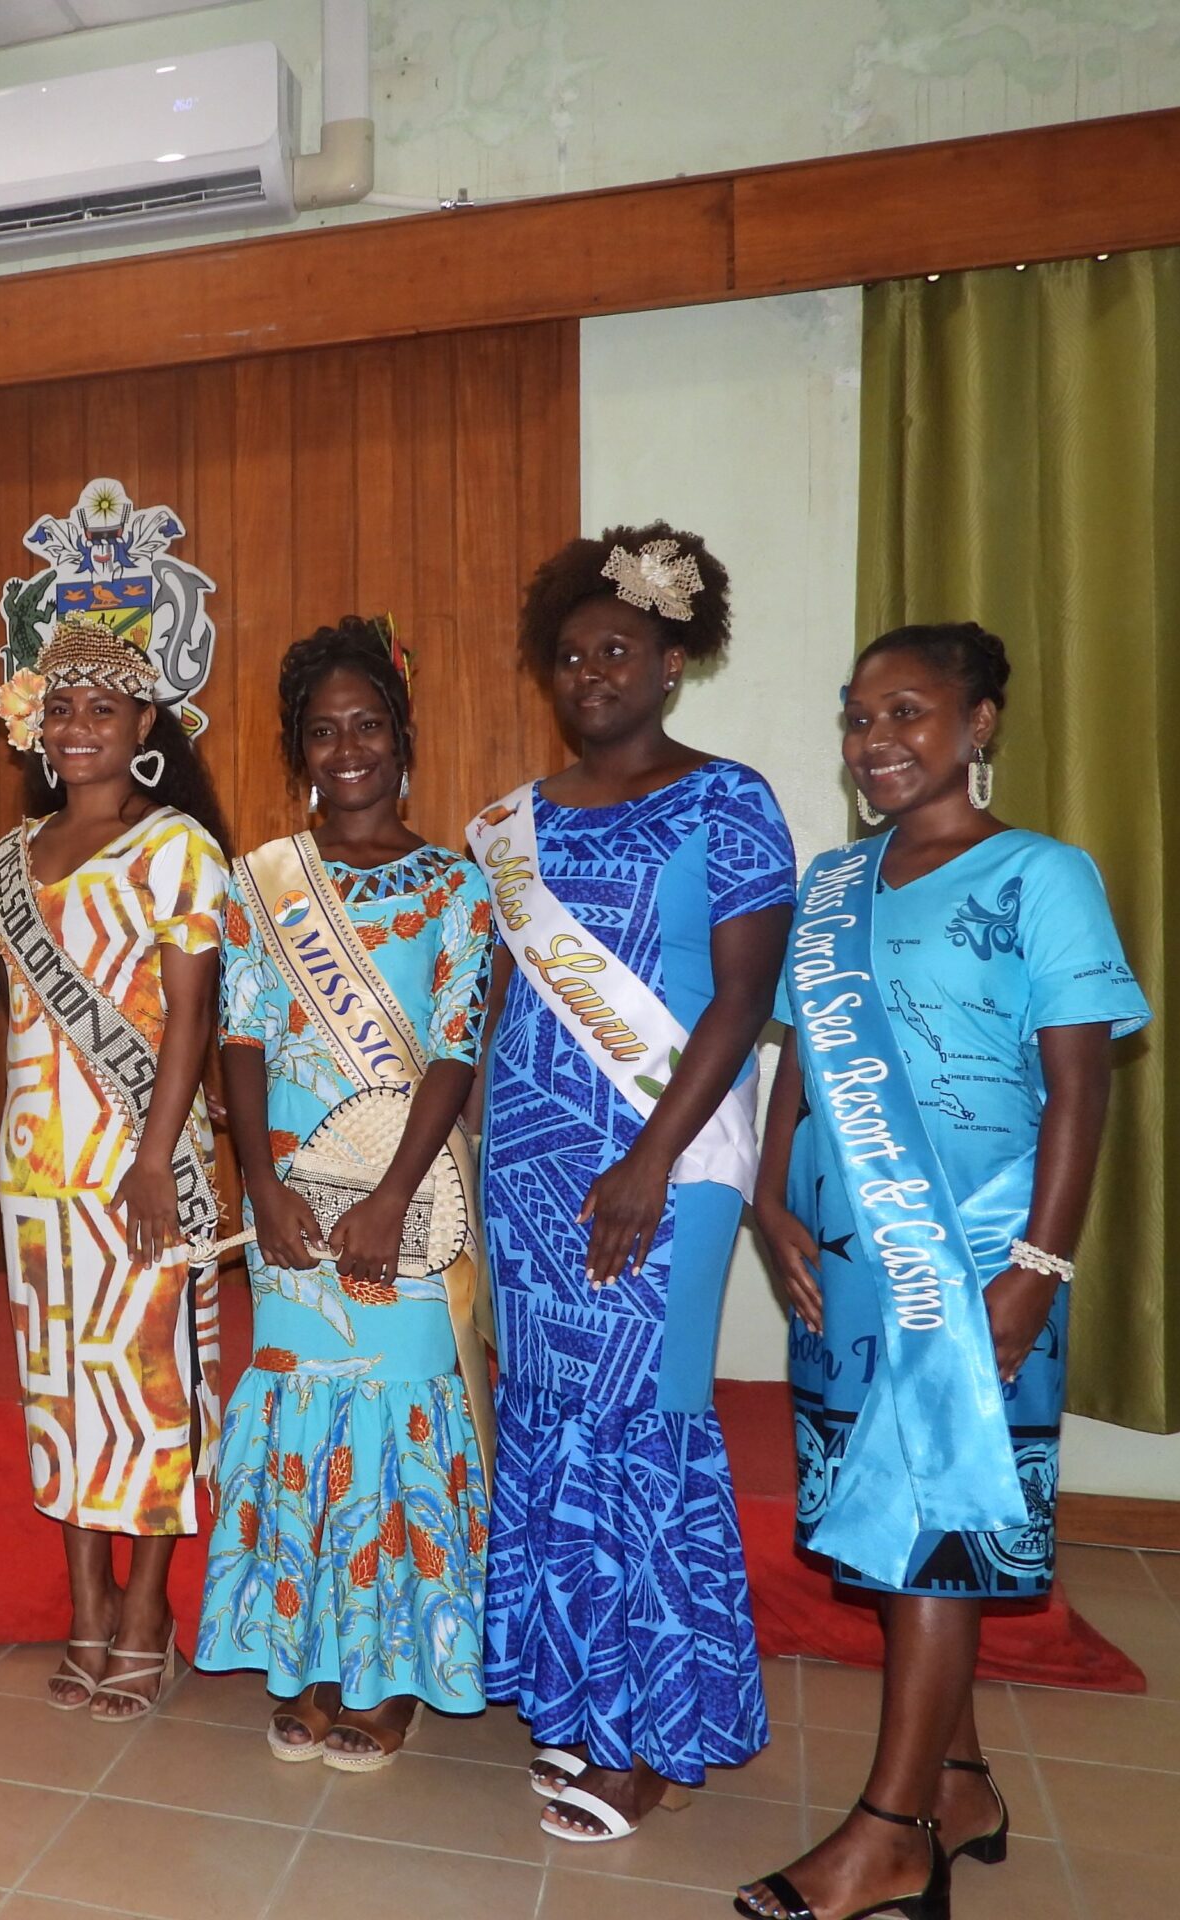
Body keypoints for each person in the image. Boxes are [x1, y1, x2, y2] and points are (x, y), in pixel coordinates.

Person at [735, 625, 1148, 1920]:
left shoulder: (1046, 875)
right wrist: (766, 1196)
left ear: (981, 725)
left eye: (908, 713)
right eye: (859, 719)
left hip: (971, 1263)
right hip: (838, 1271)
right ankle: (959, 1781)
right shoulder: (833, 884)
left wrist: (1036, 1266)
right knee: (893, 1529)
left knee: (935, 1534)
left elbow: (1081, 1090)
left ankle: (889, 1834)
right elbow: (798, 1057)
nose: (876, 743)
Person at [465, 523, 794, 1841]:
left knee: (644, 1430)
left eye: (619, 648)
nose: (593, 671)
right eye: (571, 655)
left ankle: (649, 1734)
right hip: (529, 1163)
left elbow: (742, 998)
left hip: (670, 1160)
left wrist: (649, 1161)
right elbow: (494, 1013)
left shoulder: (731, 801)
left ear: (673, 659)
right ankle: (571, 1694)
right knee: (547, 1417)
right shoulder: (513, 824)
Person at [195, 618, 495, 1769]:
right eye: (321, 733)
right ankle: (317, 1655)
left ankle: (397, 1670)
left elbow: (455, 1049)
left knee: (401, 1411)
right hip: (287, 1204)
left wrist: (390, 1196)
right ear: (298, 751)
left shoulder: (457, 889)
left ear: (402, 739)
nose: (346, 748)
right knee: (304, 1412)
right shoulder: (257, 883)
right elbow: (240, 1035)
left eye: (366, 725)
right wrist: (260, 1187)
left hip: (409, 1207)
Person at [0, 615, 232, 1723]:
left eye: (102, 708)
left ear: (143, 725)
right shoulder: (7, 856)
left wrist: (151, 1155)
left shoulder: (175, 845)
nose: (76, 727)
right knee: (59, 1394)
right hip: (32, 1167)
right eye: (61, 708)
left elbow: (190, 1016)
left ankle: (146, 1616)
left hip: (141, 1165)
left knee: (145, 1392)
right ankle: (84, 1608)